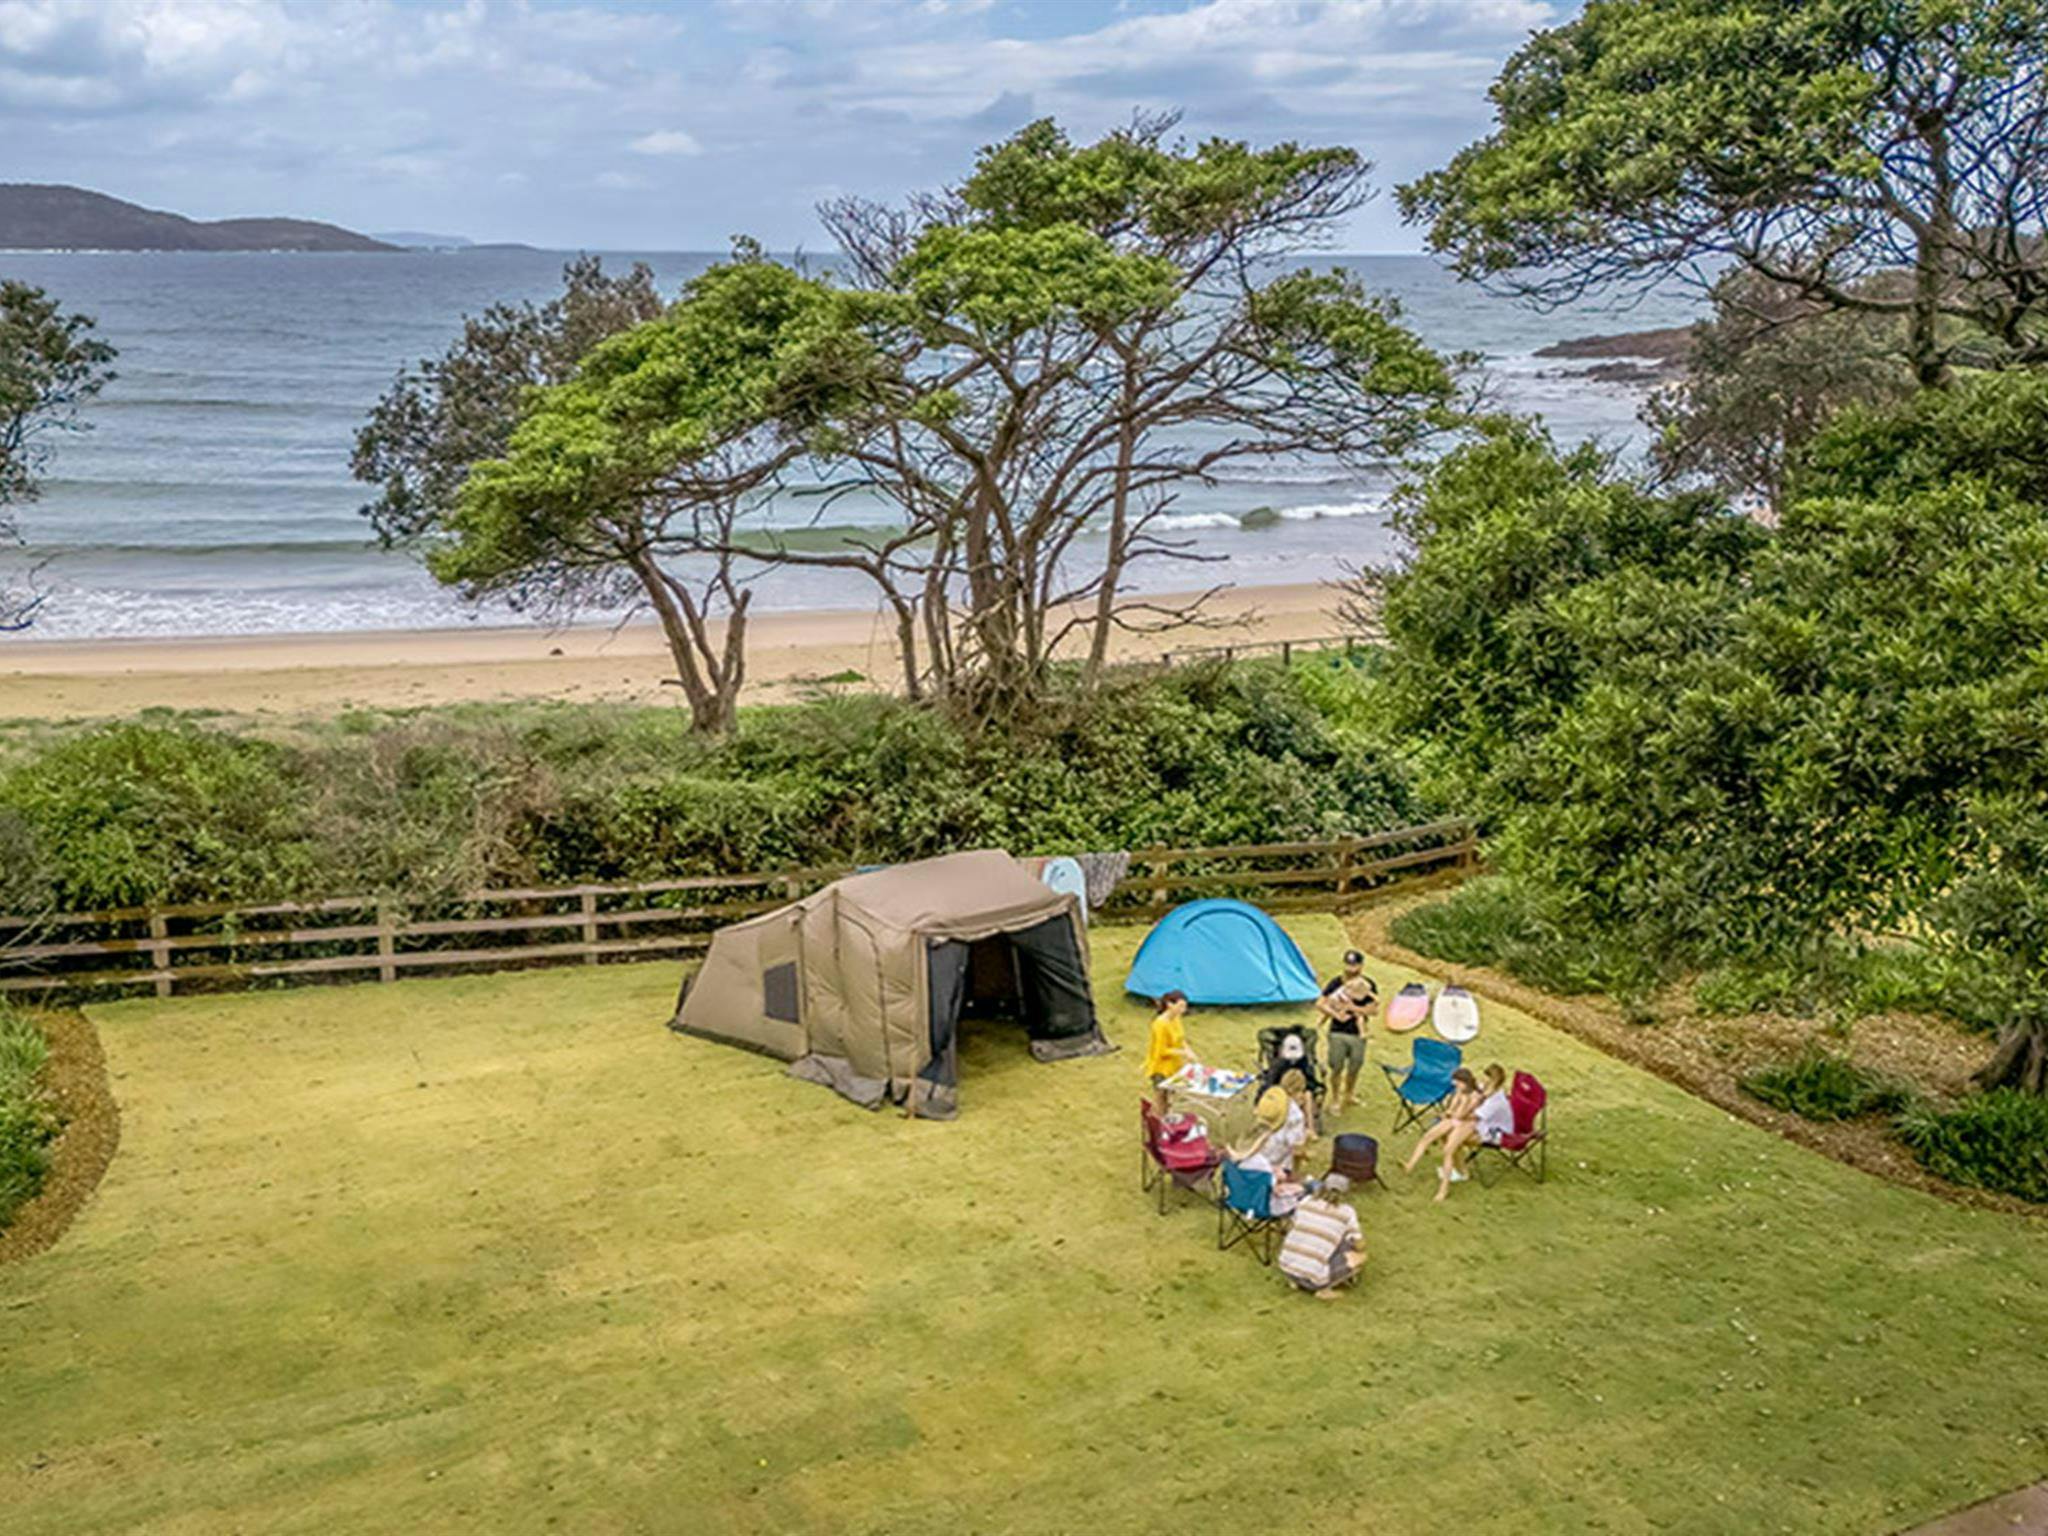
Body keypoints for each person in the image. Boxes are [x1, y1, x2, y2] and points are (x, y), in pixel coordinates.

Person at [1431, 1063, 1512, 1203]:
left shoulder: (1496, 1101)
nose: (1483, 1082)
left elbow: (1470, 1116)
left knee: (1451, 1140)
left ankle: (1445, 1188)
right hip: (1481, 1126)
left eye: (1487, 1080)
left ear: (1494, 1083)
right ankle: (1461, 1171)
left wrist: (1451, 1114)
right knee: (1449, 1134)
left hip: (1495, 1135)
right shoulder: (1484, 1089)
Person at [1277, 1173, 1365, 1299]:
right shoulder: (1347, 1212)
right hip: (1314, 1277)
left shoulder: (1306, 1202)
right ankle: (1323, 1289)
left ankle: (1295, 1280)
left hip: (1286, 1266)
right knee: (1360, 1257)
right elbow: (1360, 1244)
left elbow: (1292, 1225)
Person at [1231, 1085, 1309, 1212]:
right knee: (1308, 1187)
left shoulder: (1234, 1158)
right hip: (1265, 1202)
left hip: (1239, 1196)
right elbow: (1277, 1185)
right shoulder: (1263, 1166)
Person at [1398, 1065, 1485, 1176]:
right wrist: (1450, 1110)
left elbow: (1462, 1114)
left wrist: (1455, 1108)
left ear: (1464, 1082)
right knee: (1427, 1137)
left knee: (1448, 1148)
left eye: (1457, 1083)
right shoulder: (1460, 1090)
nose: (1455, 1085)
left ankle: (1459, 1172)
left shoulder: (1475, 1096)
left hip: (1465, 1124)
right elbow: (1452, 1108)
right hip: (1453, 1119)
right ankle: (1410, 1164)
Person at [1317, 964, 1378, 1114]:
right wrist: (1336, 1015)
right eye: (1348, 965)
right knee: (1336, 1067)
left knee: (1354, 1067)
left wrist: (1353, 1008)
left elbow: (1374, 1010)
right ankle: (1336, 1099)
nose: (1351, 968)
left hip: (1357, 1036)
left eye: (1355, 965)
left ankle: (1349, 1094)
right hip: (1337, 1033)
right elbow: (1320, 1003)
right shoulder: (1336, 983)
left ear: (1361, 966)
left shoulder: (1367, 984)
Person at [1143, 990, 1194, 1112]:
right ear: (1170, 1005)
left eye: (1185, 1006)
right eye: (1180, 1006)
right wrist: (1183, 1053)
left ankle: (1167, 1120)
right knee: (1161, 1098)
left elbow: (1180, 1038)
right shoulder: (1160, 1024)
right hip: (1161, 1068)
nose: (1183, 1009)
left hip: (1175, 1065)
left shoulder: (1176, 1018)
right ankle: (1155, 1122)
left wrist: (1188, 1050)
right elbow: (1162, 1051)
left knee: (1172, 1096)